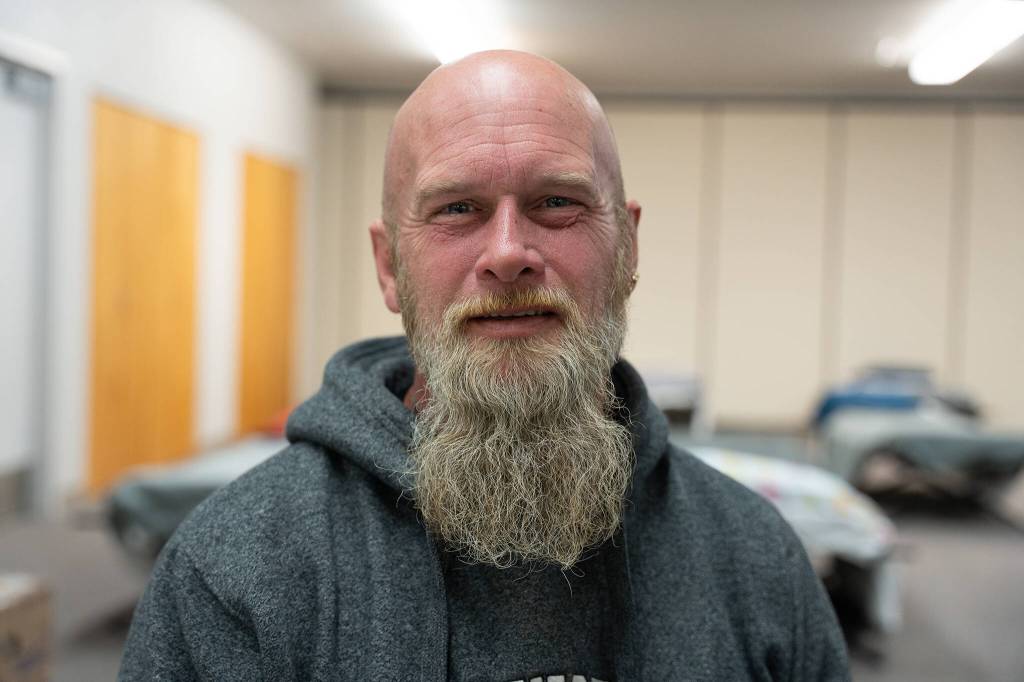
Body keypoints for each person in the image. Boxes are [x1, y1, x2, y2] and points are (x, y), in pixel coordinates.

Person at [120, 50, 849, 681]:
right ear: (389, 266)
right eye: (457, 209)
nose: (507, 254)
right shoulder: (235, 570)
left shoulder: (755, 557)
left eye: (556, 202)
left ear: (627, 248)